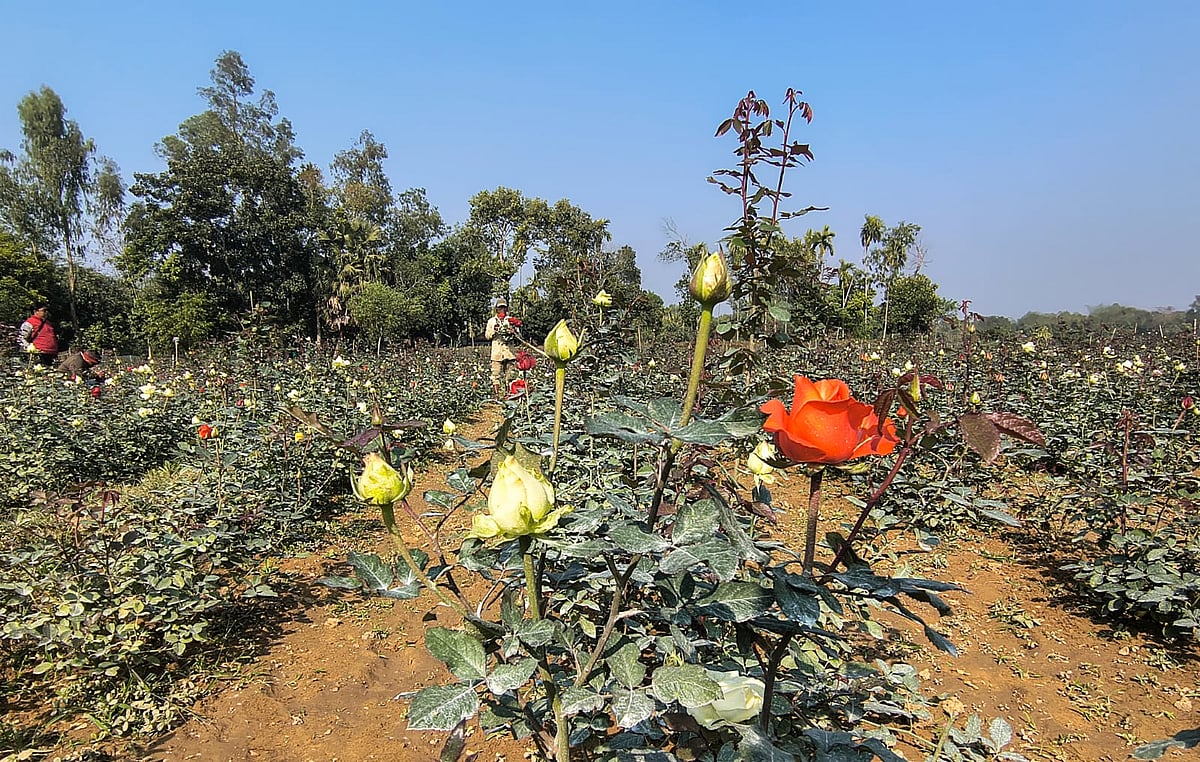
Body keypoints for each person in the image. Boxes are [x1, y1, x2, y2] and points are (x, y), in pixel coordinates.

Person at [485, 298, 520, 398]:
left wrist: (513, 331)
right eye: (500, 307)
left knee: (510, 375)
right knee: (495, 375)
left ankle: (509, 395)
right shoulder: (491, 321)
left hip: (509, 352)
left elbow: (518, 335)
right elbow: (487, 336)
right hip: (497, 352)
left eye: (504, 307)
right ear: (496, 309)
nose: (502, 310)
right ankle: (497, 395)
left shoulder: (510, 320)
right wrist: (494, 330)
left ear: (506, 308)